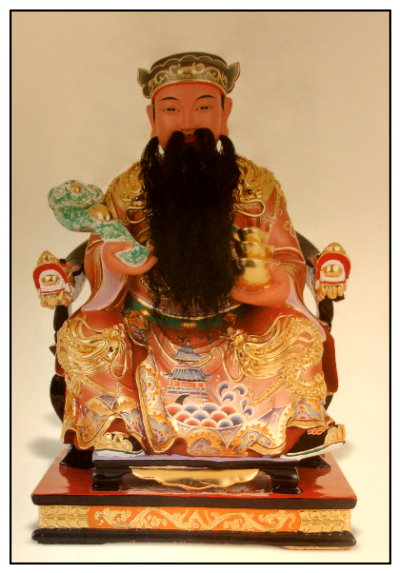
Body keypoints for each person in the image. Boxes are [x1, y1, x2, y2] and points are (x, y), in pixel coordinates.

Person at [34, 52, 350, 461]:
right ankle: (116, 429)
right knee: (85, 333)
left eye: (203, 108)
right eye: (171, 109)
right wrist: (113, 262)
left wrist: (271, 287)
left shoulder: (257, 187)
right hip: (145, 324)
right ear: (152, 118)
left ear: (224, 113)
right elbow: (97, 250)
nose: (187, 122)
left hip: (238, 320)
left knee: (297, 333)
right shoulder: (128, 189)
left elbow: (288, 253)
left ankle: (294, 429)